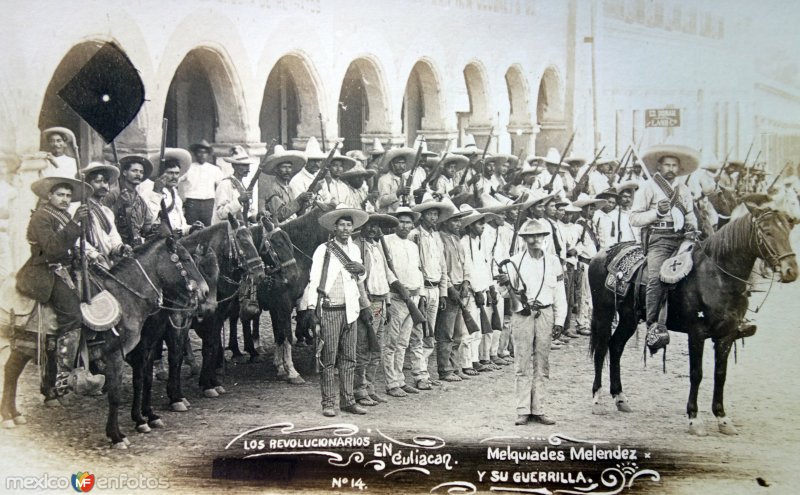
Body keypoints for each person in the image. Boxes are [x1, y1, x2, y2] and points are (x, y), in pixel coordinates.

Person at [16, 176, 104, 401]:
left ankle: (93, 362)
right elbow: (52, 249)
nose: (65, 199)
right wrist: (75, 224)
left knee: (98, 297)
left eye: (68, 196)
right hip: (43, 271)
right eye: (60, 195)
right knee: (73, 314)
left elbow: (72, 244)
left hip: (65, 268)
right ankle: (63, 375)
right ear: (49, 196)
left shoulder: (64, 215)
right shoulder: (41, 217)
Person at [630, 145, 699, 354]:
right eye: (667, 165)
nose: (670, 169)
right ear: (659, 166)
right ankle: (653, 325)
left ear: (679, 168)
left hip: (682, 238)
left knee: (703, 268)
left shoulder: (684, 190)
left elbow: (690, 214)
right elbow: (634, 218)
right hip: (659, 239)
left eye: (674, 165)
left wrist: (692, 226)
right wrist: (656, 213)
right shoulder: (648, 187)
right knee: (656, 278)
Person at [498, 218, 566, 426]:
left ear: (545, 238)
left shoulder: (554, 262)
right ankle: (522, 410)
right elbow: (504, 293)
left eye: (539, 236)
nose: (535, 240)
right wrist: (505, 284)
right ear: (524, 239)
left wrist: (560, 320)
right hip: (523, 315)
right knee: (522, 362)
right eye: (530, 236)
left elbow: (560, 294)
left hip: (545, 314)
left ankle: (539, 409)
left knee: (542, 364)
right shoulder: (514, 261)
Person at [306, 205, 370, 417]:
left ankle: (348, 400)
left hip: (350, 310)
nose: (345, 228)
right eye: (341, 225)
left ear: (353, 228)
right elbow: (314, 279)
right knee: (328, 359)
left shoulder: (355, 249)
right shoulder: (323, 249)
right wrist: (311, 309)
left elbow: (358, 277)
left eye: (348, 225)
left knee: (349, 358)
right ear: (334, 228)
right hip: (330, 309)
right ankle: (328, 402)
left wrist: (362, 271)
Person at [353, 213, 398, 407]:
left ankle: (370, 387)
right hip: (368, 301)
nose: (372, 229)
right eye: (369, 225)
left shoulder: (377, 246)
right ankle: (359, 389)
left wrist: (387, 302)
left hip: (380, 302)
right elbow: (357, 281)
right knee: (363, 348)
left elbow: (384, 276)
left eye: (376, 226)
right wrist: (364, 305)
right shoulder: (356, 246)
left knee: (376, 347)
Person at [381, 206, 425, 397]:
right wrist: (399, 289)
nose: (405, 225)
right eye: (401, 221)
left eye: (408, 222)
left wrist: (420, 294)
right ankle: (391, 383)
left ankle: (400, 379)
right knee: (391, 342)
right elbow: (388, 271)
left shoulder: (414, 246)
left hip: (413, 297)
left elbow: (417, 270)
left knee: (403, 343)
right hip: (398, 297)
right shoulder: (387, 242)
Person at [408, 199, 451, 389]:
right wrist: (421, 291)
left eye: (435, 214)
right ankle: (418, 374)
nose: (433, 217)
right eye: (430, 214)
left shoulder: (436, 236)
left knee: (429, 334)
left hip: (435, 288)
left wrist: (443, 292)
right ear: (422, 215)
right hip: (422, 289)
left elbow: (442, 266)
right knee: (419, 332)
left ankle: (424, 371)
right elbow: (413, 266)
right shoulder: (414, 235)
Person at [80, 162, 131, 268]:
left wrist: (121, 247)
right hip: (88, 263)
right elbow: (76, 240)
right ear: (87, 184)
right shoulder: (80, 209)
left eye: (106, 181)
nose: (103, 185)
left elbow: (113, 236)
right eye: (98, 181)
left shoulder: (107, 211)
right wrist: (94, 255)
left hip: (106, 262)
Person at [141, 150, 201, 235]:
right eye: (170, 173)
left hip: (176, 240)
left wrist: (191, 228)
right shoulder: (149, 193)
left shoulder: (176, 196)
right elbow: (148, 221)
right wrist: (156, 193)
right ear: (161, 175)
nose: (174, 177)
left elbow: (181, 225)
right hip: (159, 241)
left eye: (177, 173)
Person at [572, 193, 606, 335]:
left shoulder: (592, 225)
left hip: (593, 263)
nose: (592, 212)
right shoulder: (579, 226)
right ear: (583, 209)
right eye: (590, 209)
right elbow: (575, 245)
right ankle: (582, 323)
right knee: (584, 295)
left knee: (592, 295)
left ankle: (590, 321)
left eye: (593, 209)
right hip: (584, 263)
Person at [103, 155, 154, 246]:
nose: (138, 174)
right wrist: (119, 204)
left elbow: (147, 227)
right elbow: (103, 221)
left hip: (136, 247)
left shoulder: (141, 201)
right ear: (125, 173)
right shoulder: (112, 195)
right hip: (115, 246)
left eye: (141, 172)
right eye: (134, 171)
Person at [262, 145, 310, 223]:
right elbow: (280, 215)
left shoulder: (289, 188)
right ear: (276, 170)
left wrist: (304, 203)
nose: (287, 170)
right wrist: (299, 199)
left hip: (292, 225)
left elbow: (296, 213)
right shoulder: (273, 189)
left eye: (290, 167)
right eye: (284, 167)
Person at [180, 140, 223, 226]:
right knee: (192, 227)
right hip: (192, 203)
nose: (202, 155)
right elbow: (177, 180)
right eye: (199, 152)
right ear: (195, 154)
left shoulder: (214, 169)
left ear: (208, 154)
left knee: (208, 228)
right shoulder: (188, 168)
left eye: (205, 152)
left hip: (209, 203)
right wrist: (181, 197)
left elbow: (221, 186)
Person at [212, 146, 259, 224]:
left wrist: (256, 216)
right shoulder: (225, 184)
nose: (247, 169)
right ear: (234, 166)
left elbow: (246, 212)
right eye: (243, 165)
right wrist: (239, 200)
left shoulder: (243, 184)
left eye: (248, 165)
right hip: (225, 230)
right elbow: (221, 213)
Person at [377, 147, 416, 212]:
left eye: (403, 163)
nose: (401, 166)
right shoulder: (384, 179)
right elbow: (382, 201)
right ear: (392, 164)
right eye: (398, 163)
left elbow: (411, 198)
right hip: (389, 214)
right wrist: (397, 193)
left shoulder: (406, 179)